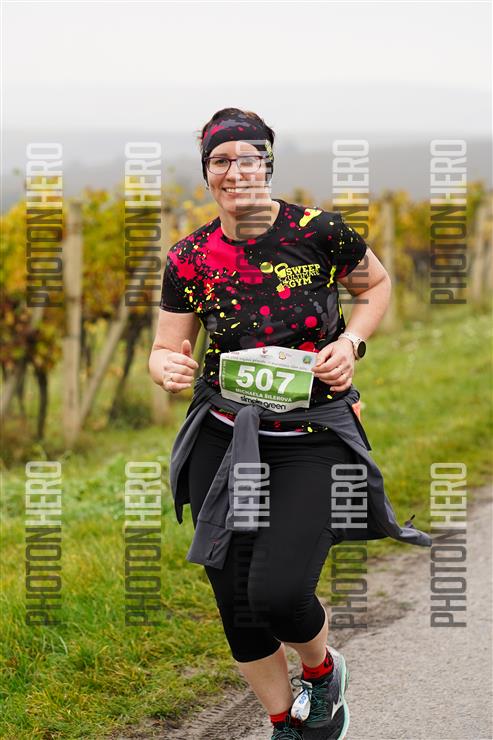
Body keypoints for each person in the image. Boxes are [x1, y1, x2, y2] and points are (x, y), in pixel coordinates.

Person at [148, 108, 431, 740]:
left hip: (312, 435)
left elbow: (376, 286)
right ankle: (285, 723)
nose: (236, 171)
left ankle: (322, 671)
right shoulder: (190, 256)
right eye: (221, 160)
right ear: (207, 173)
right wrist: (165, 366)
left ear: (268, 165)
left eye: (249, 158)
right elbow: (165, 347)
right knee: (237, 603)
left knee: (278, 593)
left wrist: (351, 343)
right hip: (224, 434)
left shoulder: (318, 231)